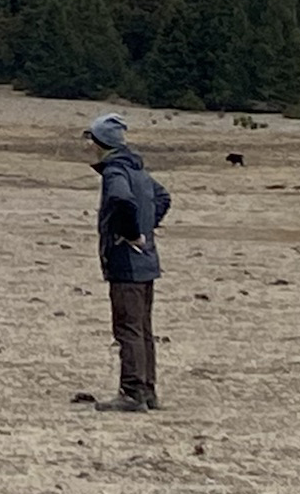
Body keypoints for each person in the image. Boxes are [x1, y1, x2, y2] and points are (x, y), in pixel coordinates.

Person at [86, 111, 170, 412]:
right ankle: (147, 391)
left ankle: (132, 392)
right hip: (146, 263)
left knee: (128, 328)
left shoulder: (115, 172)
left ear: (99, 142)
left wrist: (132, 233)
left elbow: (121, 200)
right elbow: (163, 198)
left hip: (127, 263)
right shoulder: (139, 171)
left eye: (90, 139)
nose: (87, 146)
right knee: (142, 328)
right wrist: (147, 227)